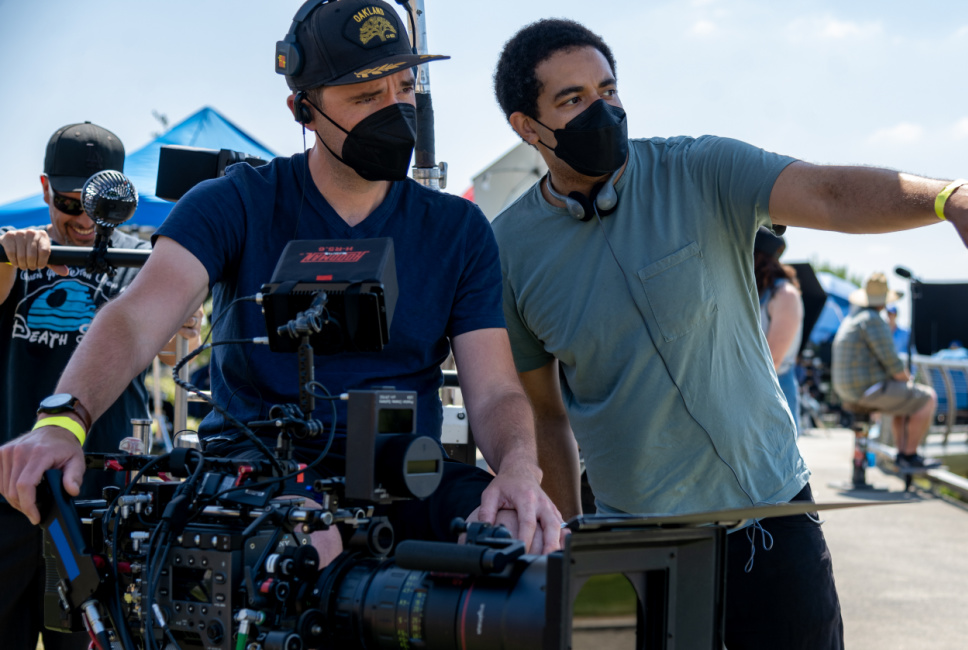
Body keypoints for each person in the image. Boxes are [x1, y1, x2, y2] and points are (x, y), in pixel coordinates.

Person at [489, 18, 968, 649]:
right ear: (527, 126)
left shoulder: (698, 169)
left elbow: (830, 192)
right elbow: (544, 413)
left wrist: (946, 198)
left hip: (774, 520)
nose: (602, 110)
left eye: (608, 89)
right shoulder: (508, 250)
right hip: (634, 548)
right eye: (572, 100)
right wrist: (578, 546)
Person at [0, 0, 561, 561]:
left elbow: (495, 391)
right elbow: (135, 318)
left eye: (405, 88)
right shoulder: (236, 203)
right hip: (258, 470)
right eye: (367, 96)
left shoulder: (457, 228)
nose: (396, 110)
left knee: (521, 538)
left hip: (405, 472)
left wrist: (516, 471)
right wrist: (62, 420)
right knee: (307, 543)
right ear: (304, 109)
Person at [0, 122, 201, 650]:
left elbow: (170, 347)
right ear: (45, 189)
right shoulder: (14, 256)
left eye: (100, 201)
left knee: (98, 639)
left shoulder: (145, 263)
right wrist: (9, 248)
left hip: (103, 495)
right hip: (11, 490)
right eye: (70, 201)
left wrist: (184, 319)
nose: (85, 219)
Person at [832, 273, 938, 468]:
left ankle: (903, 454)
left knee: (905, 401)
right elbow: (894, 364)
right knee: (928, 398)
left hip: (846, 390)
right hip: (864, 390)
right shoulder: (873, 320)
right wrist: (908, 380)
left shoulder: (853, 318)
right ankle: (908, 455)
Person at [753, 226, 804, 429]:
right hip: (755, 388)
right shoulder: (758, 291)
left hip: (774, 392)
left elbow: (772, 361)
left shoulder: (785, 295)